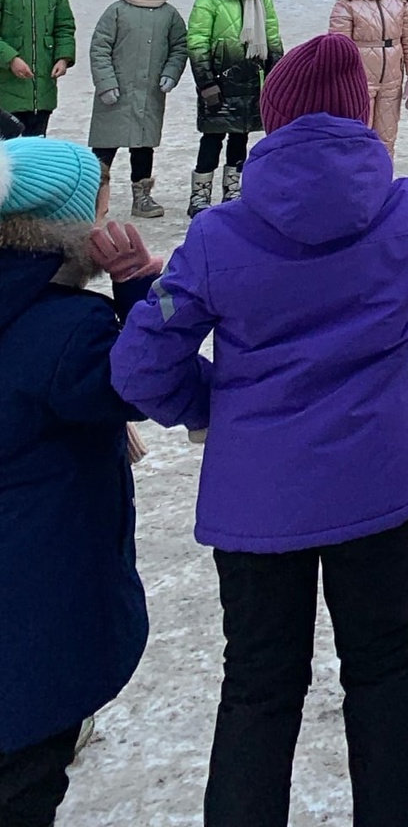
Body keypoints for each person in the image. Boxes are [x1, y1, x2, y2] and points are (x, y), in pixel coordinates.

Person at [111, 33, 408, 827]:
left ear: (273, 123)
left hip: (258, 497)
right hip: (382, 480)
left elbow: (140, 366)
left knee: (258, 684)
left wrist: (214, 407)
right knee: (384, 670)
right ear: (358, 114)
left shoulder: (217, 236)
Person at [0, 138, 151, 827]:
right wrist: (137, 291)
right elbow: (142, 380)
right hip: (34, 613)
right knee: (26, 784)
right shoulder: (66, 331)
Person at [88, 0, 188, 220]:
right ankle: (93, 196)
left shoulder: (169, 15)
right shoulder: (117, 11)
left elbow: (180, 47)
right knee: (104, 148)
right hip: (116, 92)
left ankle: (141, 195)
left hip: (149, 93)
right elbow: (100, 48)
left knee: (143, 147)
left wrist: (171, 72)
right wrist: (106, 83)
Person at [187, 0, 282, 216]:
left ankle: (233, 190)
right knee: (212, 138)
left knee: (240, 137)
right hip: (219, 80)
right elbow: (197, 41)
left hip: (252, 79)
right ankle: (200, 195)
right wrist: (206, 82)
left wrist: (277, 76)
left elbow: (273, 36)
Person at [328, 0, 408, 159]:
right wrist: (340, 79)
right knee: (357, 134)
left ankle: (382, 181)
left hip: (391, 79)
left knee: (387, 135)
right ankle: (354, 184)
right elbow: (338, 45)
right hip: (358, 80)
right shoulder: (347, 2)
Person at [0, 0, 75, 138]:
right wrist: (11, 59)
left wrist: (63, 57)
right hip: (6, 86)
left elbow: (64, 27)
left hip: (42, 89)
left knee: (36, 148)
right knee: (8, 151)